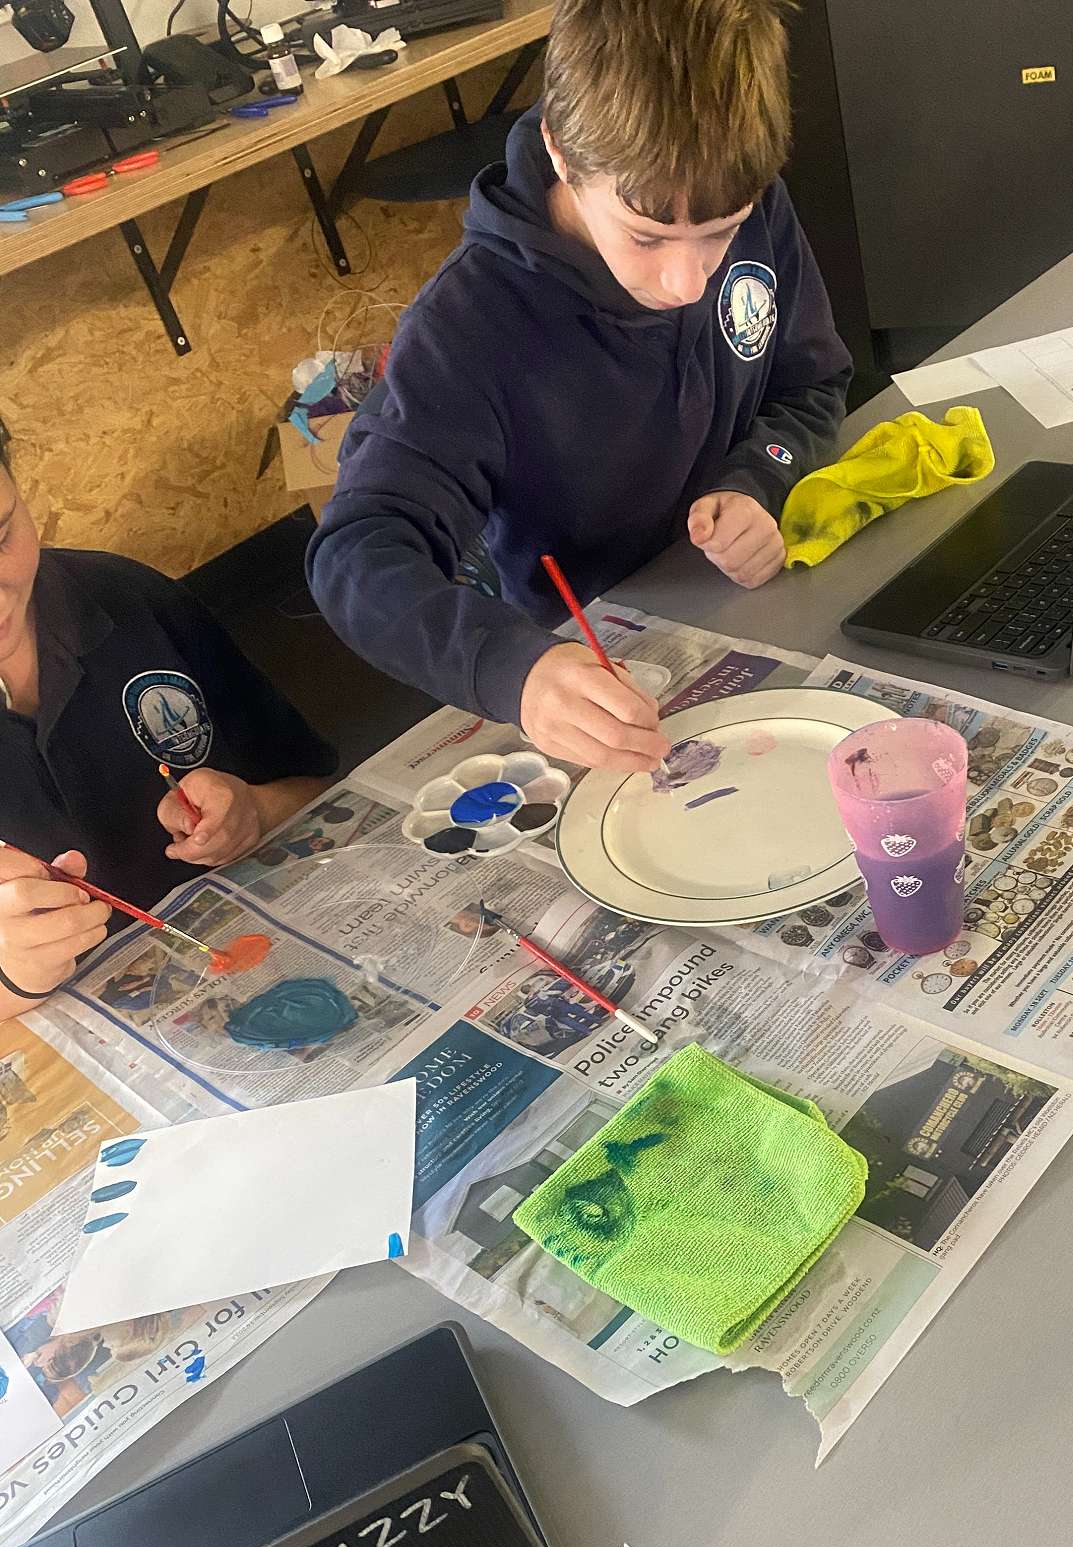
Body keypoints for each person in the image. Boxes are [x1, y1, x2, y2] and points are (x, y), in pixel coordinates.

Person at [308, 0, 851, 775]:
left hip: (759, 605)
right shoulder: (466, 328)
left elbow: (813, 384)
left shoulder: (741, 192)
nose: (687, 283)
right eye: (646, 237)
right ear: (563, 157)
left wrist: (759, 477)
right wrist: (514, 669)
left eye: (720, 234)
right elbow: (358, 552)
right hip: (597, 672)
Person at [0, 423, 338, 1019]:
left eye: (1, 535)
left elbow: (315, 786)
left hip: (261, 959)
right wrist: (13, 979)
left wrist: (255, 811)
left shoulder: (124, 598)